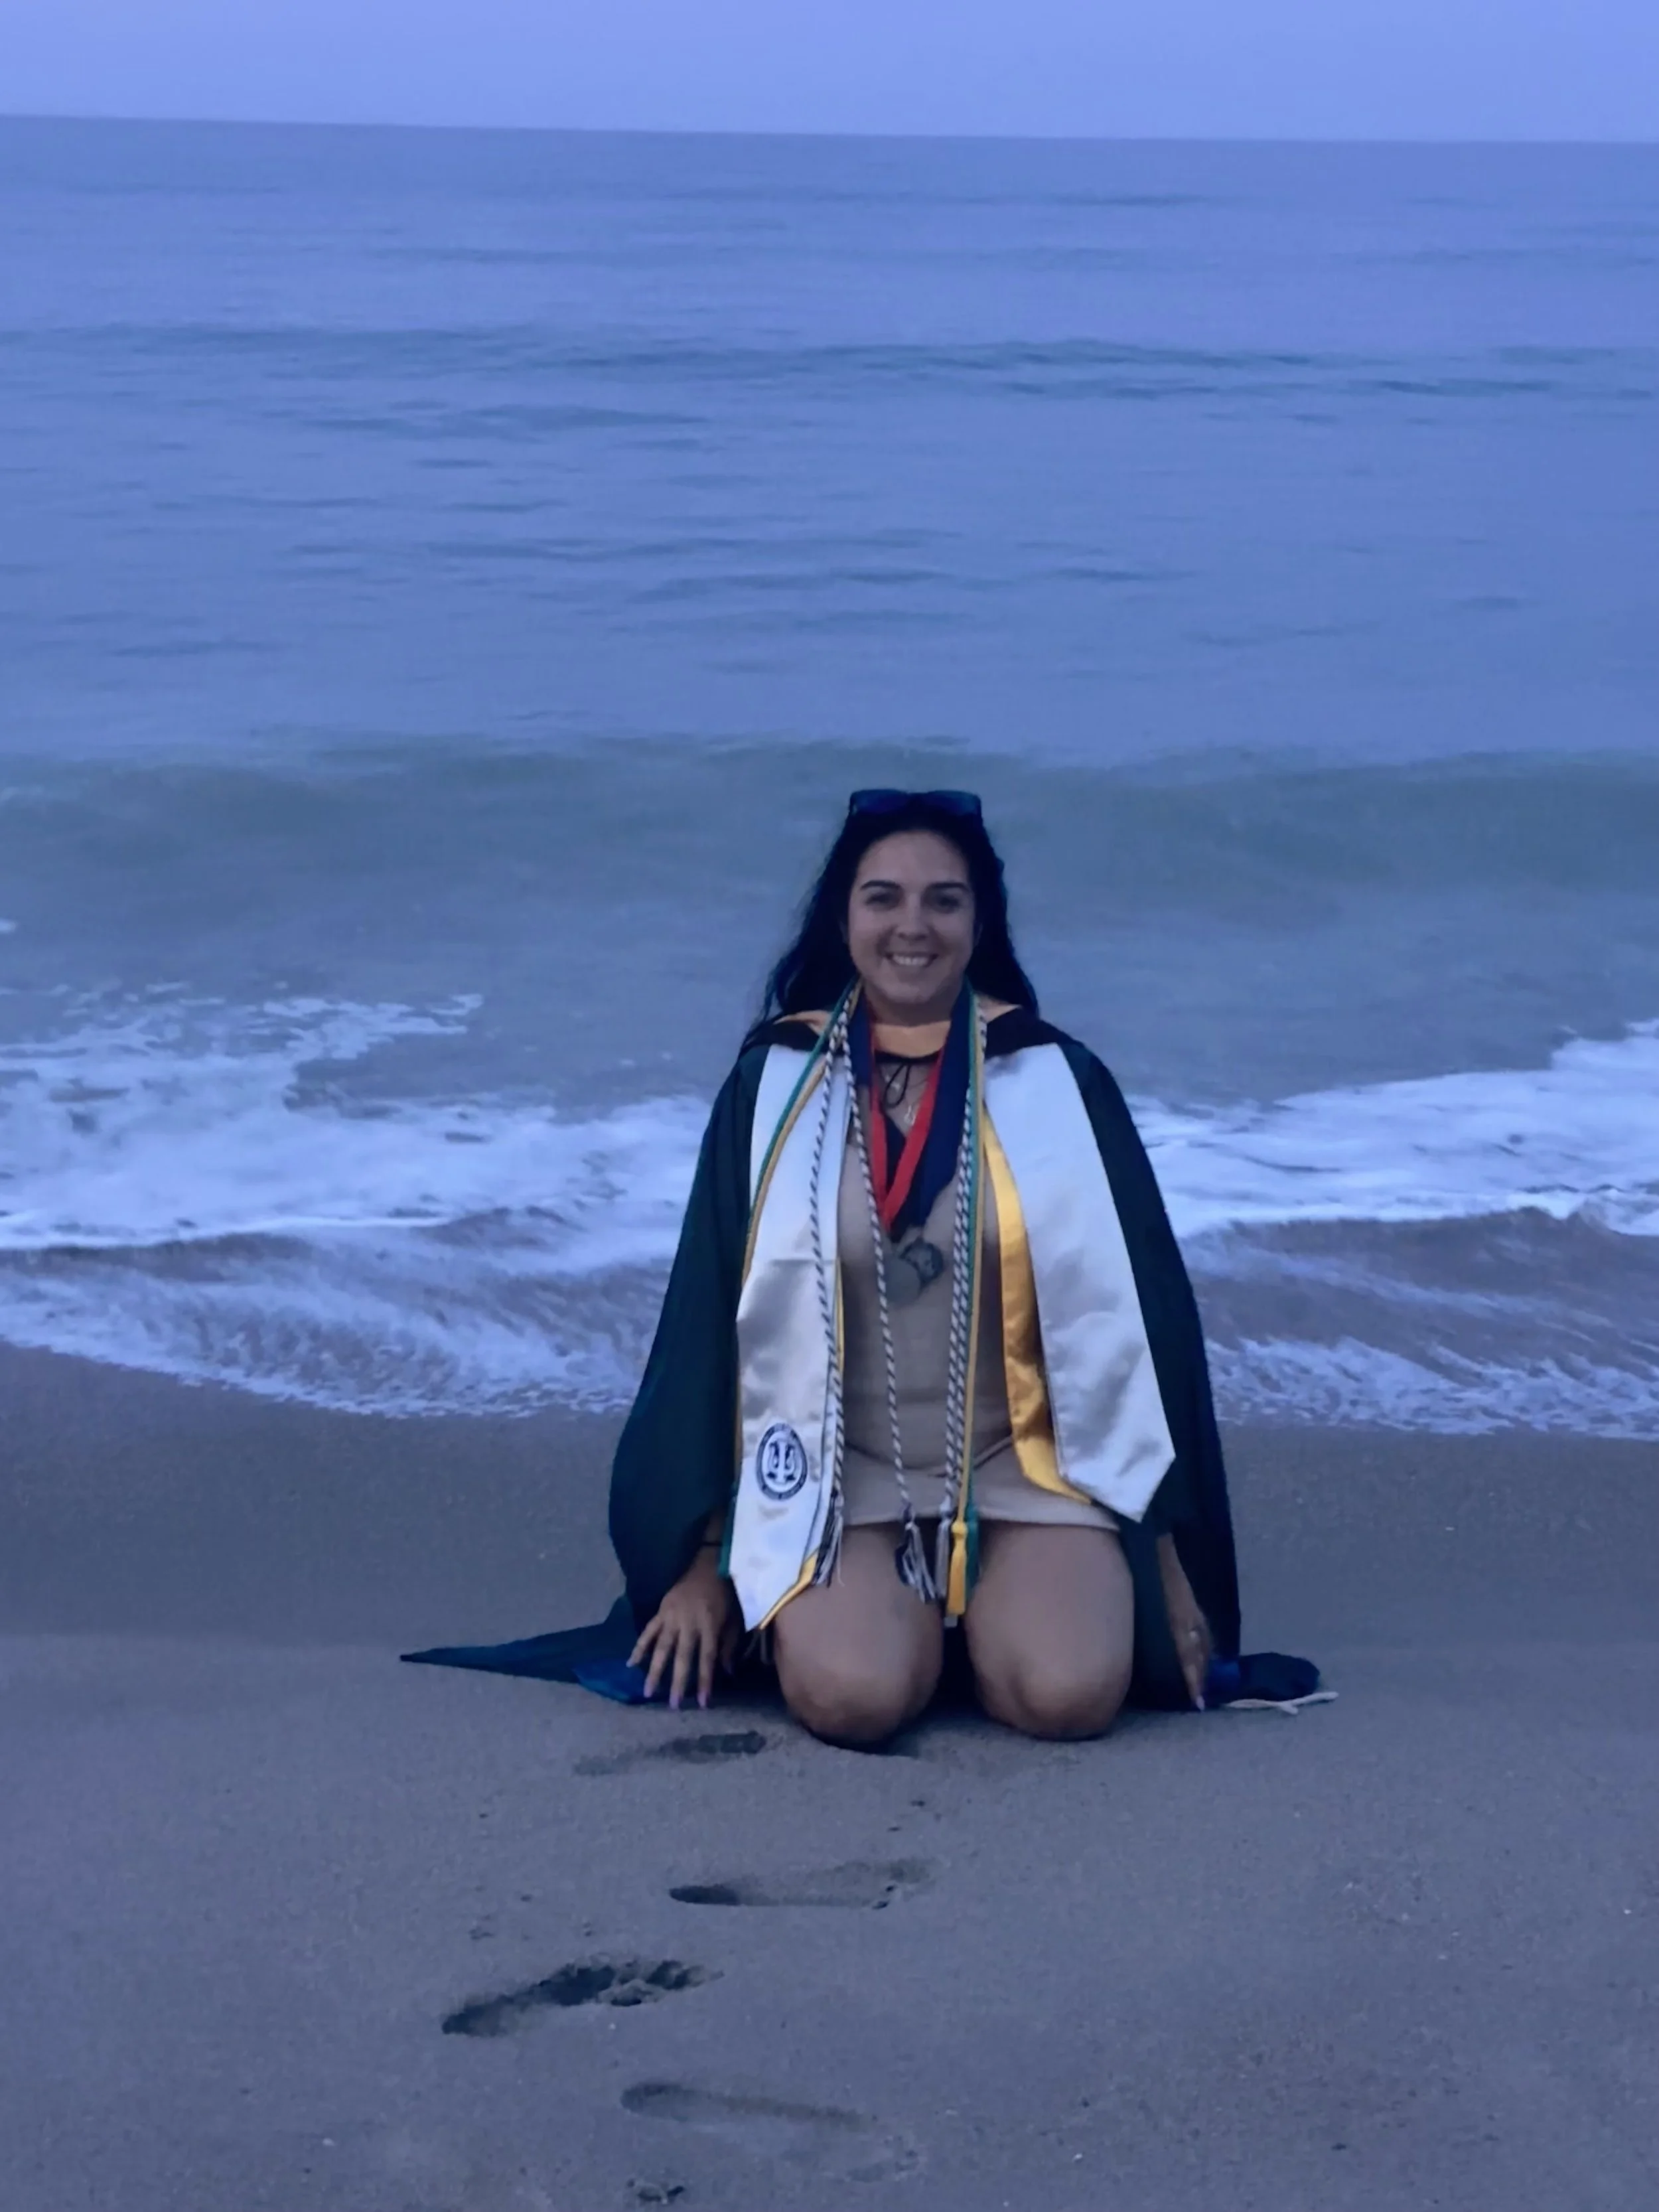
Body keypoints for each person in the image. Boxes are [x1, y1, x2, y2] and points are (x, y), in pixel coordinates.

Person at [407, 791, 1314, 1743]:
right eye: (884, 898)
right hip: (836, 1477)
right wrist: (705, 1558)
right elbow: (710, 1330)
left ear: (981, 920)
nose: (912, 927)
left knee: (1069, 1698)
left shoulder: (1054, 1080)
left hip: (1027, 1465)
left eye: (944, 901)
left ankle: (991, 1611)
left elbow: (1144, 1327)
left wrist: (1163, 1556)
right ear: (844, 918)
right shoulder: (775, 1086)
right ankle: (913, 1622)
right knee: (854, 1701)